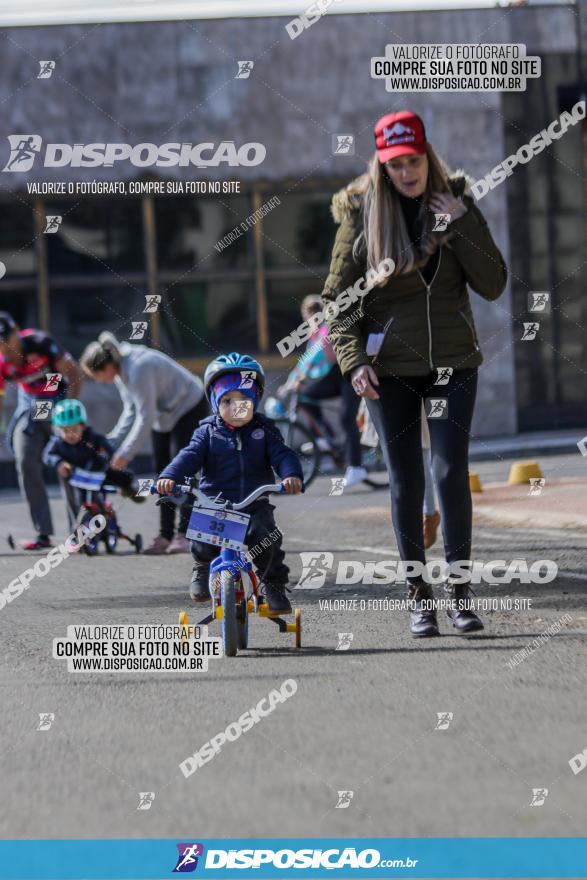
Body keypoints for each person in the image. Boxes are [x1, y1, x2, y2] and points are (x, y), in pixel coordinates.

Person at [321, 110, 507, 637]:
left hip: (452, 364)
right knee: (406, 480)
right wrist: (353, 361)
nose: (407, 172)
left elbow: (493, 283)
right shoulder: (362, 210)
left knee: (449, 472)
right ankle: (418, 596)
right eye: (396, 164)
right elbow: (339, 301)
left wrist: (463, 223)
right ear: (382, 166)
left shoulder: (458, 200)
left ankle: (460, 594)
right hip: (390, 371)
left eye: (414, 160)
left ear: (428, 155)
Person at [156, 352, 304, 614]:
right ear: (214, 401)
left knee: (266, 538)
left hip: (253, 502)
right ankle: (202, 569)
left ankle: (273, 585)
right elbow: (188, 456)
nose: (237, 407)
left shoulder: (266, 431)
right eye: (227, 400)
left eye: (245, 400)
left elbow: (283, 454)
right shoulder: (206, 433)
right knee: (202, 539)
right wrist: (169, 477)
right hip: (215, 501)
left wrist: (290, 475)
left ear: (256, 399)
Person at [79, 331, 207, 555]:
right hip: (164, 413)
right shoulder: (120, 373)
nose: (97, 381)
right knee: (163, 473)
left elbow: (144, 416)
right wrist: (111, 441)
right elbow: (131, 410)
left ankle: (184, 534)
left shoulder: (139, 367)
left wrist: (126, 454)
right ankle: (165, 534)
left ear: (105, 367)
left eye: (95, 375)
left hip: (189, 405)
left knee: (184, 470)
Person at [0, 311, 83, 550]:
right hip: (31, 409)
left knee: (67, 463)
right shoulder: (2, 362)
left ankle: (78, 531)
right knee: (25, 460)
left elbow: (74, 373)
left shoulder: (40, 342)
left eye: (6, 340)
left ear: (16, 332)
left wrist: (70, 412)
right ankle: (43, 533)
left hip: (59, 404)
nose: (4, 347)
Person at [278, 295, 365, 486]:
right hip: (334, 377)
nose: (305, 322)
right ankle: (326, 437)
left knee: (346, 417)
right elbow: (305, 363)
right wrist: (291, 382)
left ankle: (356, 467)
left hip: (349, 375)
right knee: (306, 397)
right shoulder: (314, 336)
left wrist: (324, 344)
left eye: (306, 317)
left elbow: (331, 358)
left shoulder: (326, 331)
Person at [42, 399, 145, 531]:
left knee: (121, 474)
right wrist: (59, 463)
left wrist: (112, 456)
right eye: (66, 431)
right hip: (78, 476)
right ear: (57, 429)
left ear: (83, 426)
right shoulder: (57, 442)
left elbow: (106, 445)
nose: (70, 435)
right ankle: (80, 529)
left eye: (74, 430)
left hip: (99, 471)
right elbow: (47, 455)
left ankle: (129, 489)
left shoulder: (92, 437)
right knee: (79, 502)